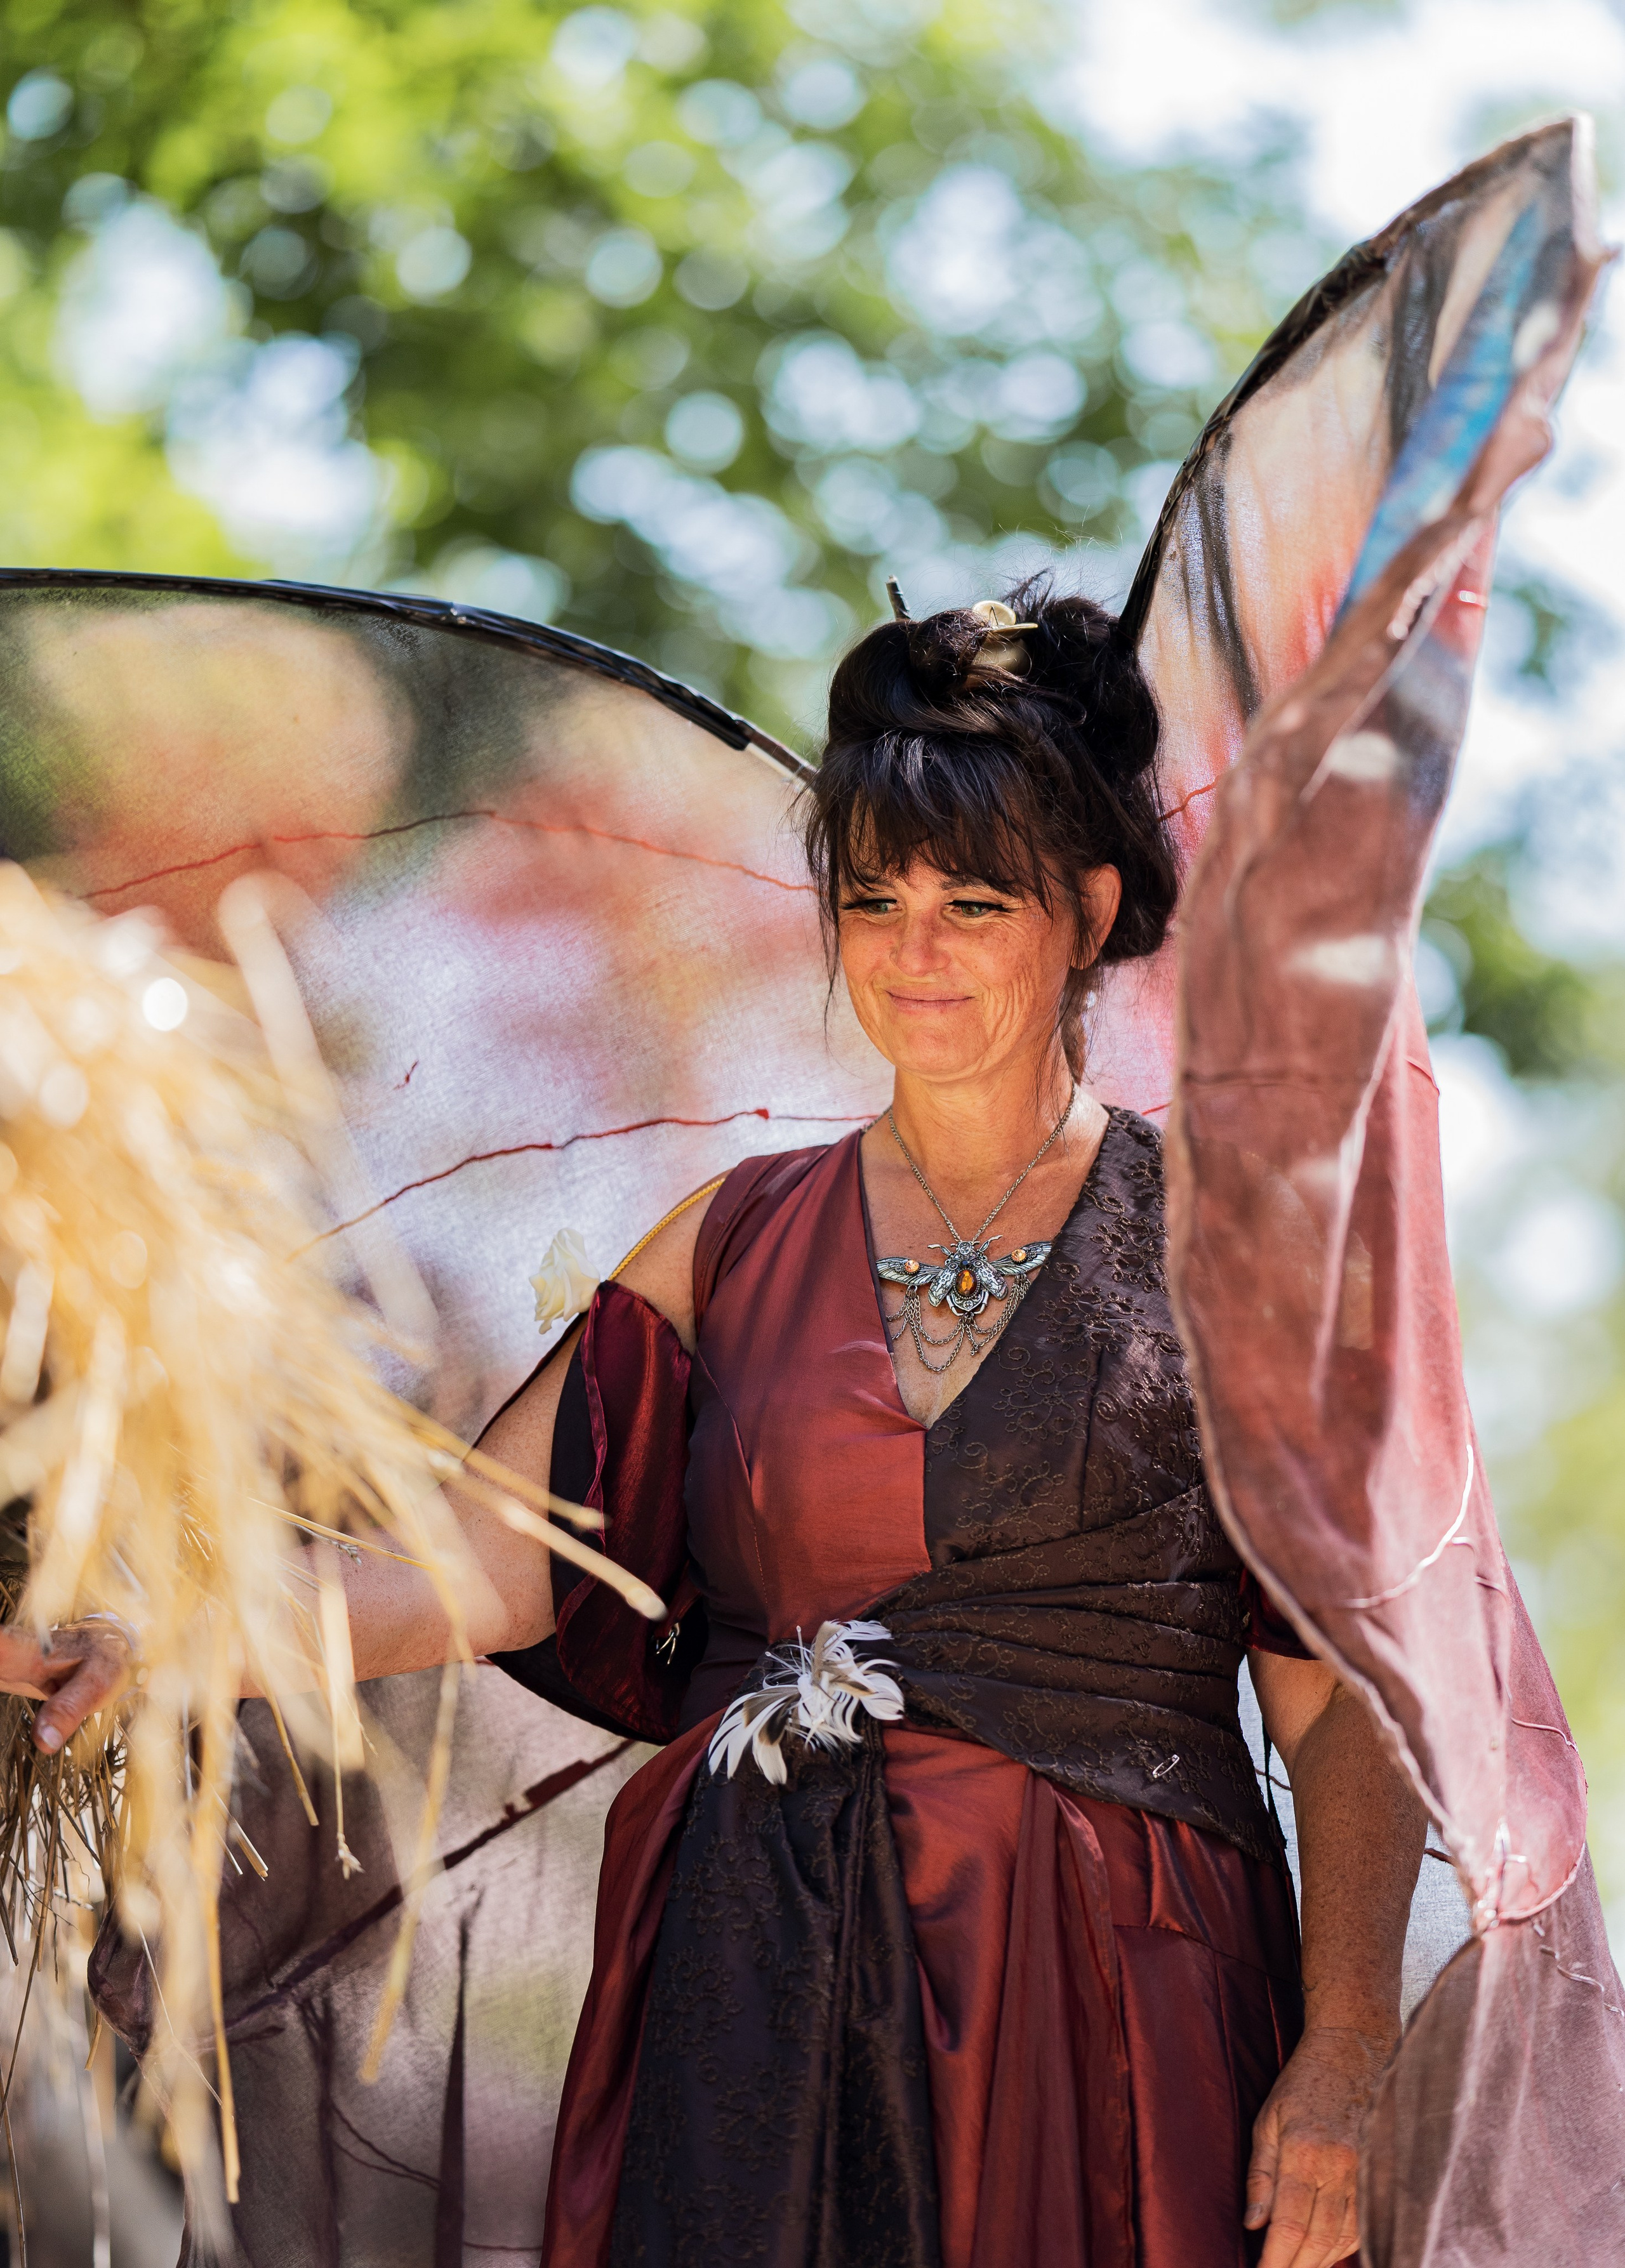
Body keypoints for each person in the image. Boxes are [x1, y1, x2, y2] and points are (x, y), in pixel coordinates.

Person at [5, 580, 1426, 2268]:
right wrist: (160, 1638)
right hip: (754, 1989)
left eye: (973, 903)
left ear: (1091, 911)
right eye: (873, 898)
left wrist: (1350, 2045)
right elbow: (484, 1565)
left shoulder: (1238, 1253)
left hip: (1115, 1998)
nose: (911, 951)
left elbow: (1341, 1701)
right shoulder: (729, 1239)